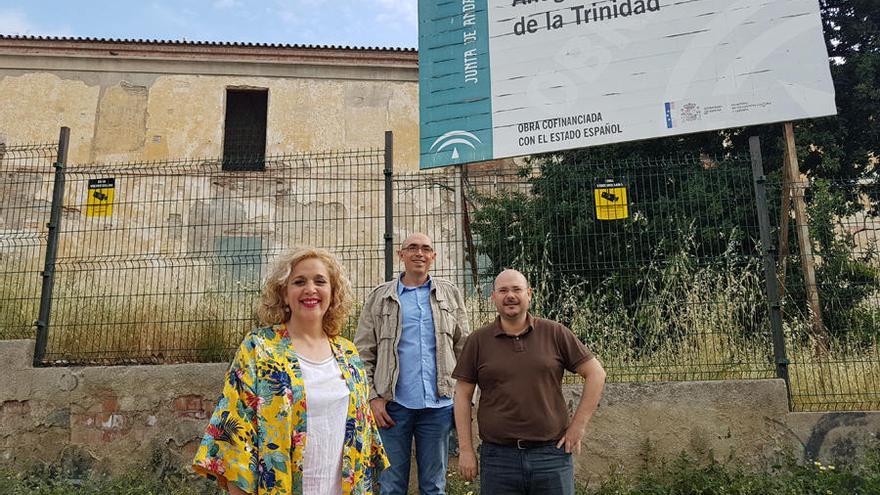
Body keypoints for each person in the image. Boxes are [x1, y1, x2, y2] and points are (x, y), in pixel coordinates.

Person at [193, 247, 388, 495]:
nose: (310, 289)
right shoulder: (259, 349)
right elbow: (234, 442)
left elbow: (363, 445)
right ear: (284, 294)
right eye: (299, 282)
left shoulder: (348, 354)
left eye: (320, 281)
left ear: (333, 292)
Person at [452, 269, 606, 495]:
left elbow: (596, 374)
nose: (510, 296)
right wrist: (465, 449)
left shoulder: (555, 333)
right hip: (498, 460)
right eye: (503, 290)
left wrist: (578, 427)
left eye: (516, 289)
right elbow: (462, 396)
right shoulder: (478, 340)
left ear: (529, 294)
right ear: (493, 297)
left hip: (551, 456)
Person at [354, 233, 470, 495]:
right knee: (391, 485)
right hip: (393, 407)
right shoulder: (380, 297)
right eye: (413, 248)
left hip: (439, 406)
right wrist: (373, 398)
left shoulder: (450, 294)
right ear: (401, 255)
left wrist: (465, 400)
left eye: (426, 249)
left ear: (433, 256)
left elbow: (464, 350)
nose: (420, 253)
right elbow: (362, 353)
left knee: (434, 485)